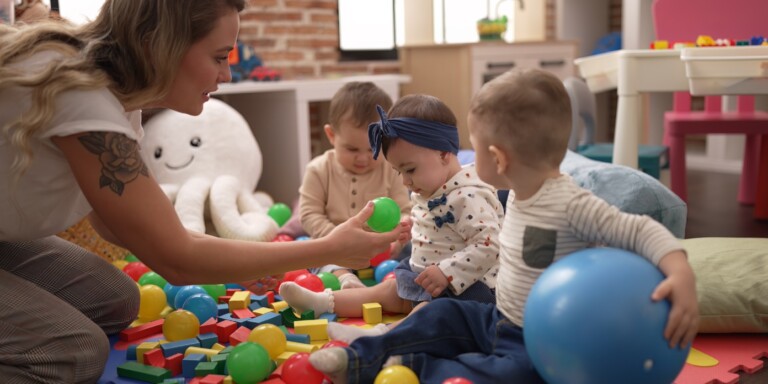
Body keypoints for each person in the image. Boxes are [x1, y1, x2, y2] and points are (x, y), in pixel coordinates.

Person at [0, 1, 407, 382]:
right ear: (160, 46)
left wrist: (246, 261)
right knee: (74, 351)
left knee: (117, 300)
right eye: (218, 56)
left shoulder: (122, 99)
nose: (226, 74)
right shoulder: (84, 96)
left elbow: (124, 226)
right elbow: (177, 258)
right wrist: (327, 249)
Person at [306, 69, 700, 384]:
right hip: (498, 318)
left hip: (541, 340)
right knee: (438, 315)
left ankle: (405, 366)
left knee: (506, 375)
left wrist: (679, 270)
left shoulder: (570, 202)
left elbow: (637, 229)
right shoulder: (518, 195)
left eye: (474, 147)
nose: (467, 156)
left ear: (497, 157)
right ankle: (360, 356)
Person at [279, 94, 504, 343]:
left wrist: (447, 272)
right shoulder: (432, 185)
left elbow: (489, 245)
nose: (405, 181)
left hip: (465, 288)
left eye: (409, 170)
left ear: (443, 154)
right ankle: (322, 302)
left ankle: (380, 337)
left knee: (430, 312)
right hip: (425, 277)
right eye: (399, 172)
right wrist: (409, 226)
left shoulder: (469, 195)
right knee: (387, 289)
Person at [297, 81, 412, 289]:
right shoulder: (318, 169)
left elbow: (405, 210)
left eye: (372, 149)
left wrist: (399, 236)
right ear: (331, 135)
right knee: (315, 255)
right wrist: (335, 240)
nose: (363, 158)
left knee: (416, 249)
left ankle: (401, 281)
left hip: (382, 250)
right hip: (335, 247)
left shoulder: (391, 169)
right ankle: (346, 279)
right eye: (351, 149)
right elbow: (309, 214)